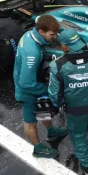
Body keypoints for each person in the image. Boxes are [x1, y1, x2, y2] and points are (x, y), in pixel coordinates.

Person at [48, 29, 88, 175]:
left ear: (64, 46)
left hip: (74, 111)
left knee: (78, 137)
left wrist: (60, 105)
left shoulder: (56, 65)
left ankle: (87, 167)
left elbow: (54, 95)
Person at [14, 15, 68, 158]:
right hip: (27, 89)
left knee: (42, 108)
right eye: (52, 35)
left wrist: (60, 39)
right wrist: (49, 91)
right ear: (41, 32)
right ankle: (37, 148)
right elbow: (25, 83)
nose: (54, 37)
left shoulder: (30, 33)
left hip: (34, 80)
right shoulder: (32, 53)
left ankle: (51, 132)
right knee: (30, 122)